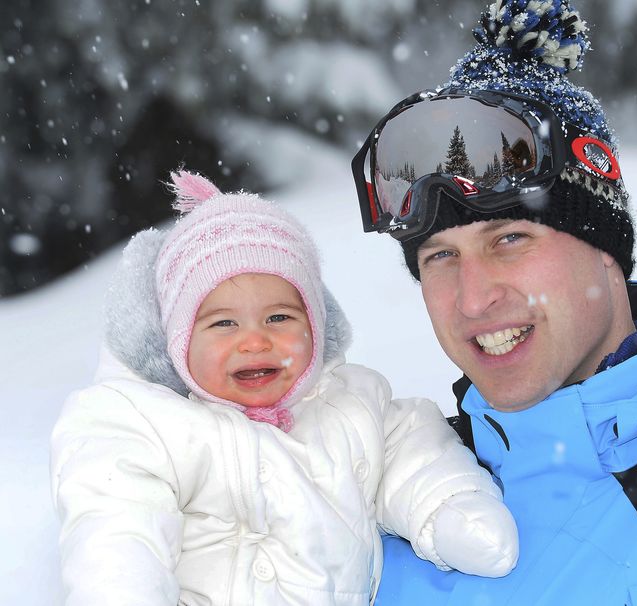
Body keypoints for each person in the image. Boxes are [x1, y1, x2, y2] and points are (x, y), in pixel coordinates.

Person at [352, 1, 637, 604]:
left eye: (510, 239)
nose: (474, 298)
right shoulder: (395, 487)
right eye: (440, 257)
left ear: (604, 252)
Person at [50, 170, 519, 606]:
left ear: (315, 326)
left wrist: (450, 507)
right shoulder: (148, 424)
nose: (255, 340)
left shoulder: (352, 404)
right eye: (223, 323)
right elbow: (117, 533)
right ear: (179, 341)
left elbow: (414, 452)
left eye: (279, 317)